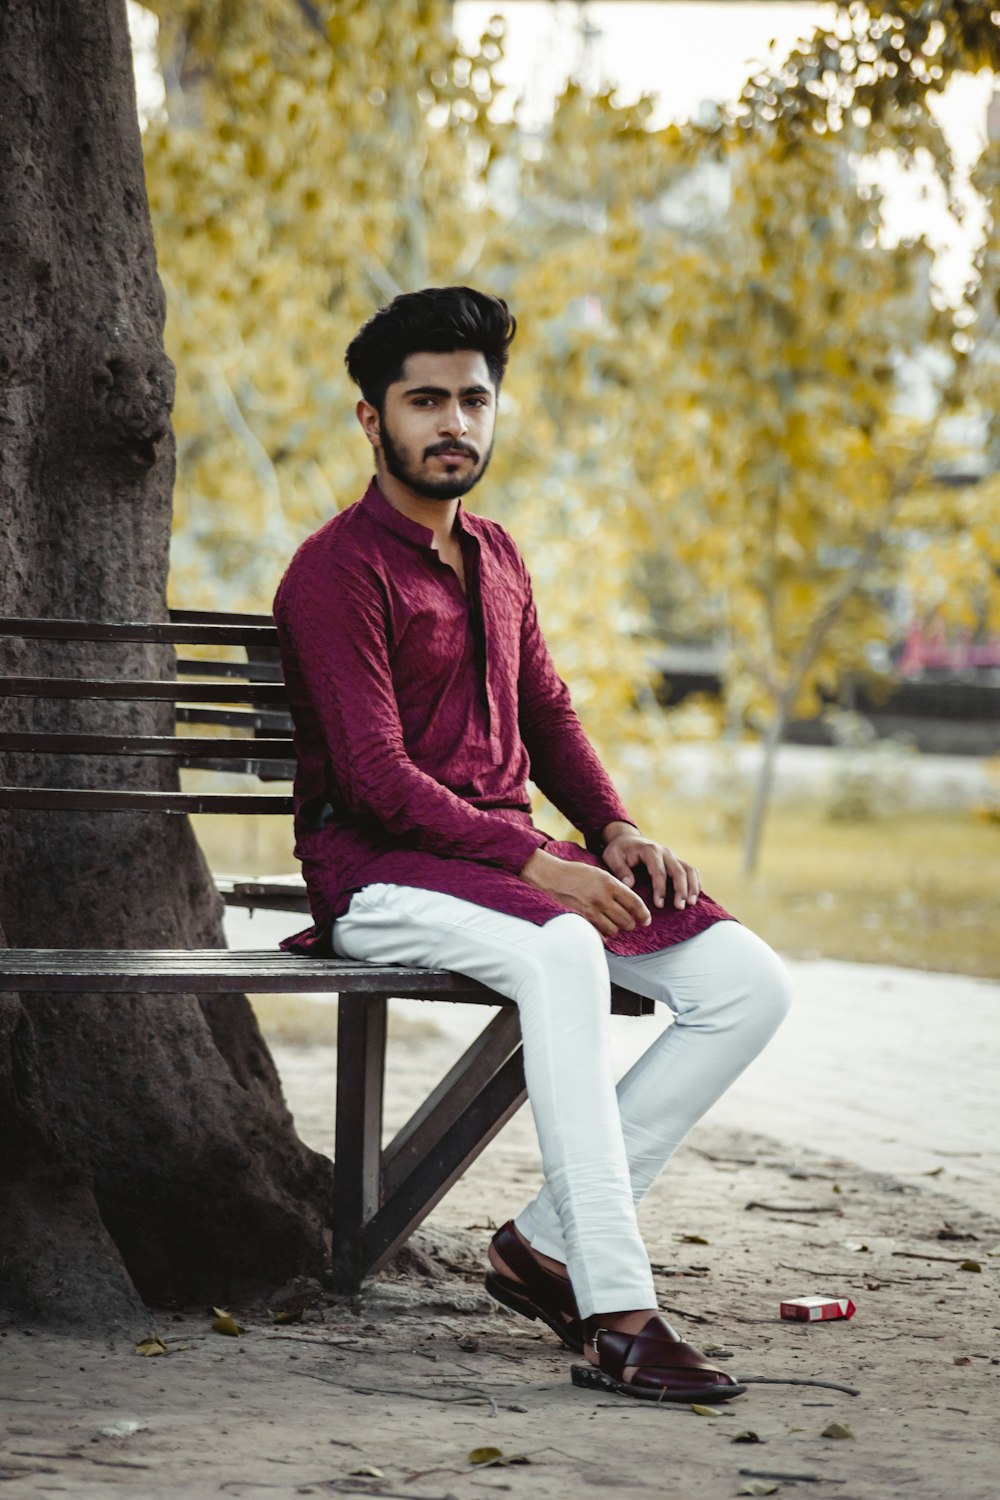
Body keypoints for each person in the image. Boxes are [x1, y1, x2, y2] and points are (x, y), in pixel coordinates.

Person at [273, 286, 792, 1404]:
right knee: (563, 943)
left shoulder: (498, 555)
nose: (454, 422)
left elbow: (547, 713)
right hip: (377, 873)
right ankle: (616, 1311)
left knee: (746, 983)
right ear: (373, 420)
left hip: (508, 863)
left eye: (473, 398)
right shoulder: (334, 572)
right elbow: (373, 780)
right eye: (425, 401)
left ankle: (545, 1245)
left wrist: (613, 828)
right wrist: (541, 868)